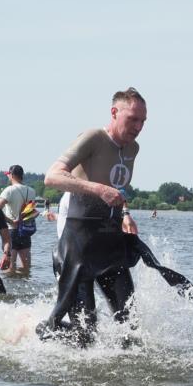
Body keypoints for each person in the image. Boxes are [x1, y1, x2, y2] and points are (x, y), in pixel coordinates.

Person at [37, 87, 148, 345]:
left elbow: (116, 187)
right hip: (77, 243)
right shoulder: (93, 138)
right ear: (114, 112)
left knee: (131, 328)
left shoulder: (133, 148)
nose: (138, 126)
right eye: (132, 118)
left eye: (143, 121)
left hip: (109, 240)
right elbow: (52, 176)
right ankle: (43, 331)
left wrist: (126, 213)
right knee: (85, 335)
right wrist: (97, 190)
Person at [0, 165, 38, 275]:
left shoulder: (9, 190)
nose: (8, 177)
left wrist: (10, 221)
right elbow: (30, 211)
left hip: (12, 230)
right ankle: (24, 288)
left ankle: (10, 289)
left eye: (8, 175)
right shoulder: (32, 191)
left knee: (10, 267)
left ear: (12, 175)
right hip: (25, 230)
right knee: (26, 267)